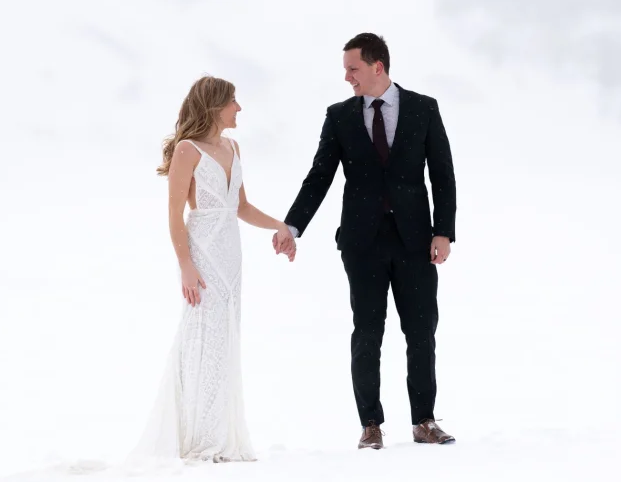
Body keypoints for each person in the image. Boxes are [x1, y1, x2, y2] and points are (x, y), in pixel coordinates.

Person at [274, 33, 457, 448]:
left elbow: (443, 175)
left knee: (421, 331)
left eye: (352, 69)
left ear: (378, 67)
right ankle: (370, 424)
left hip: (415, 242)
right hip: (362, 244)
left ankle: (424, 421)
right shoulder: (339, 116)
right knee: (367, 332)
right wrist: (293, 226)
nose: (347, 78)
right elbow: (319, 176)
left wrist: (443, 232)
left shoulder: (423, 109)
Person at [131, 75, 295, 464]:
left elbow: (241, 208)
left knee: (226, 338)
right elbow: (174, 215)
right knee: (201, 337)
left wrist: (281, 226)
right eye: (233, 101)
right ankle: (199, 435)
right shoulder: (187, 151)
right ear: (215, 105)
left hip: (231, 257)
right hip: (201, 255)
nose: (239, 108)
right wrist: (185, 266)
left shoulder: (234, 147)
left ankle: (220, 431)